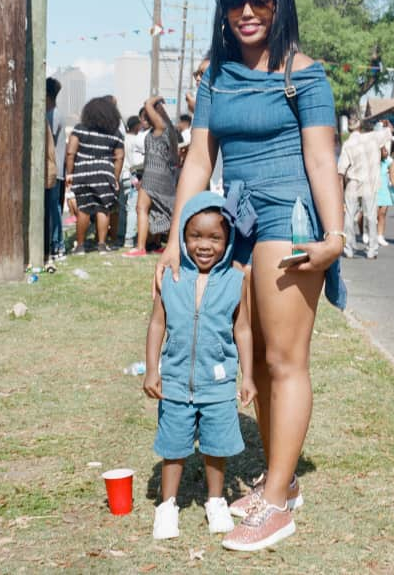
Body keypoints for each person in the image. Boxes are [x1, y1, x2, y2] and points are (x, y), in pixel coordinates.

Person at [155, 0, 344, 551]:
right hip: (234, 222)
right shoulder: (216, 77)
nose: (247, 14)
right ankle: (275, 481)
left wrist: (334, 237)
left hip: (287, 221)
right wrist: (173, 238)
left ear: (278, 7)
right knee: (255, 361)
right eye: (237, 4)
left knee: (286, 360)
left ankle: (280, 502)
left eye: (260, 3)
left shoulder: (306, 76)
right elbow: (198, 159)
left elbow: (319, 159)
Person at [143, 192, 256, 540]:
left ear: (228, 240)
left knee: (216, 445)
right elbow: (157, 324)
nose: (204, 245)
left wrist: (248, 375)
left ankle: (216, 500)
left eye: (215, 238)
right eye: (195, 236)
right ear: (182, 237)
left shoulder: (236, 281)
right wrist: (152, 369)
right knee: (173, 446)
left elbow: (243, 329)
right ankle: (167, 506)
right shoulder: (171, 277)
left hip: (218, 382)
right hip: (176, 380)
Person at [65, 97, 124, 255]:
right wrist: (115, 178)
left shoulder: (80, 129)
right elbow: (119, 157)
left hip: (83, 171)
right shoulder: (115, 134)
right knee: (103, 208)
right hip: (105, 173)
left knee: (83, 208)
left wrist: (70, 173)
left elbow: (71, 152)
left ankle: (80, 246)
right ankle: (102, 244)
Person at [123, 97, 179, 258]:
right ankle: (155, 244)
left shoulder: (160, 127)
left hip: (153, 174)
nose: (143, 120)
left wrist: (155, 100)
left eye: (146, 116)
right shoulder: (167, 129)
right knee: (156, 209)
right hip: (163, 174)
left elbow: (147, 103)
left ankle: (140, 247)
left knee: (141, 208)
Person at [337, 117, 391, 259]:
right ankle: (372, 249)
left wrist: (339, 192)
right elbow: (388, 132)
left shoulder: (348, 144)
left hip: (353, 182)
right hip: (369, 182)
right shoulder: (372, 138)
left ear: (348, 129)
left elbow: (341, 171)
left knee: (349, 215)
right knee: (371, 216)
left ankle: (348, 248)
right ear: (360, 126)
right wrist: (385, 125)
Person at [46, 77, 66, 260]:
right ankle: (56, 244)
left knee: (53, 209)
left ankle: (57, 245)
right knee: (54, 208)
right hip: (56, 169)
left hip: (54, 169)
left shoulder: (53, 115)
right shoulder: (54, 113)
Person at [122, 115, 146, 249]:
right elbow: (140, 160)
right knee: (132, 209)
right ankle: (129, 239)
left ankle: (119, 235)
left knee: (122, 208)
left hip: (120, 176)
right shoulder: (136, 140)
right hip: (132, 176)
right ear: (136, 126)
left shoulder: (122, 137)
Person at [376, 143, 394, 246]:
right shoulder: (373, 162)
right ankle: (369, 234)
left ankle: (380, 236)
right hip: (374, 191)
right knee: (373, 215)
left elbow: (393, 172)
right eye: (383, 150)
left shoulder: (388, 162)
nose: (386, 152)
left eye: (386, 150)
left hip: (384, 190)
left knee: (382, 214)